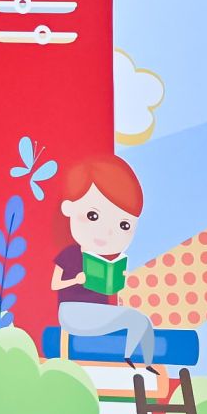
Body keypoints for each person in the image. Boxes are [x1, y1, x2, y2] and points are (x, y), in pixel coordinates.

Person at [51, 153, 160, 374]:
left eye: (124, 225)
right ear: (69, 209)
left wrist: (118, 282)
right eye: (93, 215)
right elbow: (55, 284)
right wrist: (77, 279)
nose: (108, 232)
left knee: (143, 322)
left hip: (97, 313)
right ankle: (130, 358)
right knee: (134, 319)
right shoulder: (70, 255)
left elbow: (107, 292)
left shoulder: (104, 260)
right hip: (72, 312)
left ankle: (146, 363)